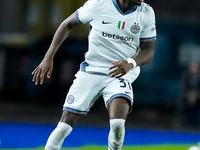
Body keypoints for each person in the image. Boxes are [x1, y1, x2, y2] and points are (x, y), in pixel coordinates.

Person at [32, 0, 156, 149]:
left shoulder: (146, 12)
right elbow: (67, 24)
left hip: (120, 73)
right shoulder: (98, 4)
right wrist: (48, 56)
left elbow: (149, 51)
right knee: (64, 126)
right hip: (91, 71)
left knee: (117, 125)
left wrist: (130, 63)